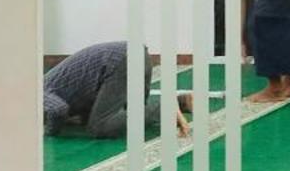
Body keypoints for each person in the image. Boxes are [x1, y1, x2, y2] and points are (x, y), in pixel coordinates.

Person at [43, 41, 188, 139]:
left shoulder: (38, 93)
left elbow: (57, 110)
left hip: (120, 62)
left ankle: (163, 108)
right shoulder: (52, 85)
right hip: (136, 56)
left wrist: (49, 132)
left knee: (100, 126)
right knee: (133, 112)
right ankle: (181, 102)